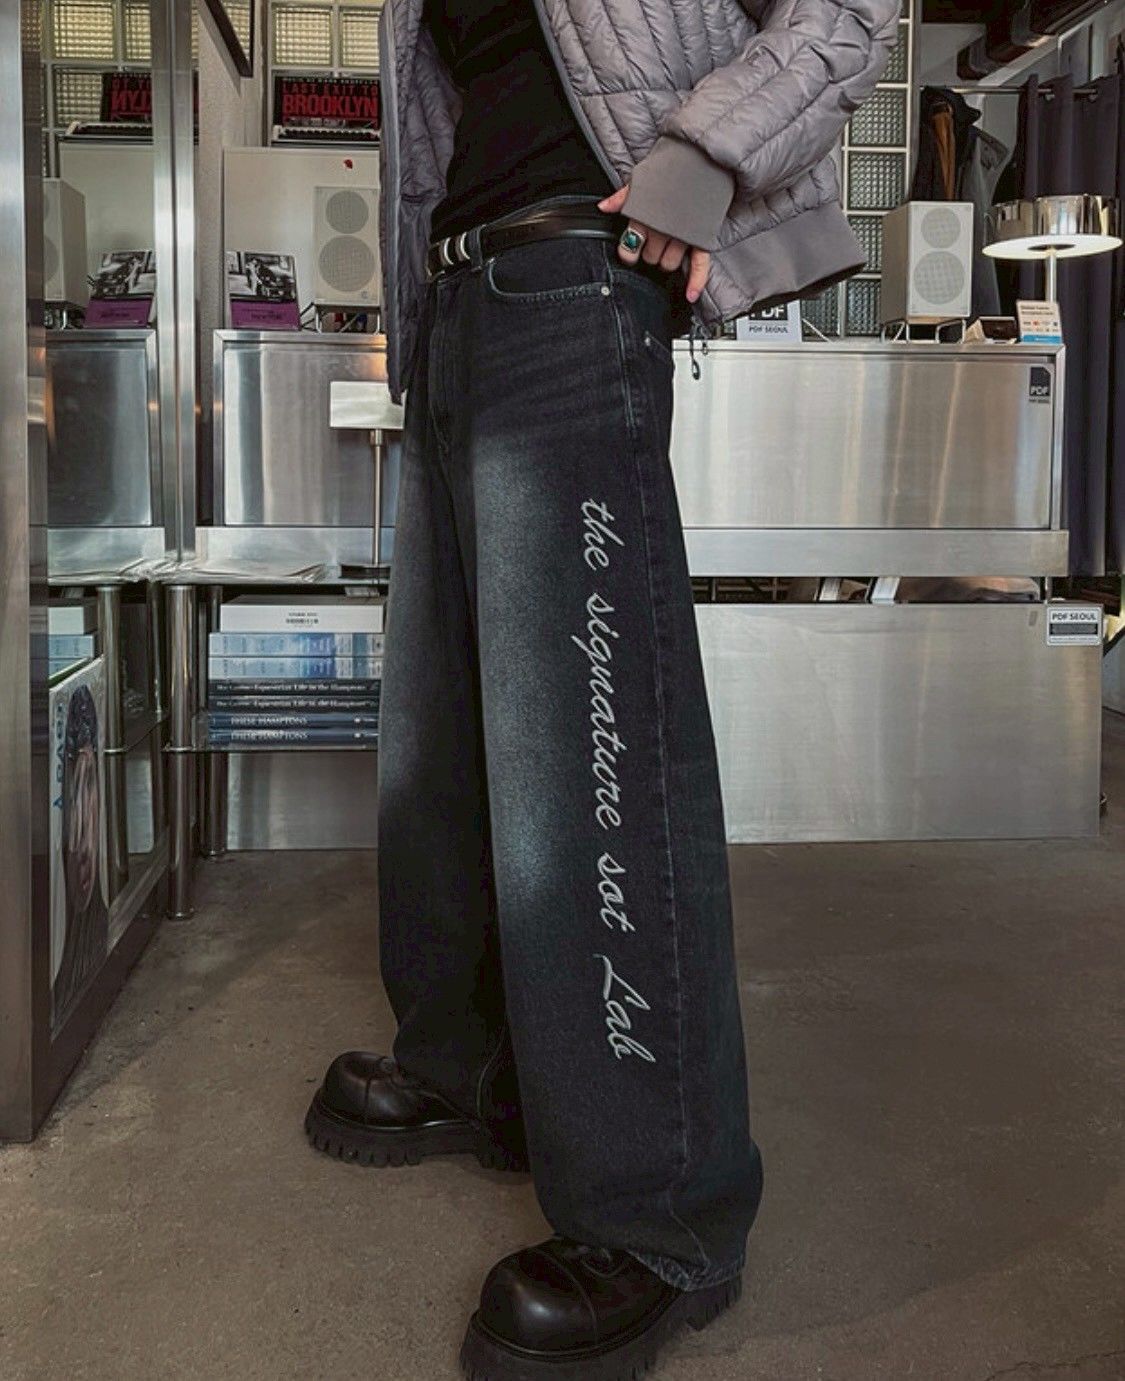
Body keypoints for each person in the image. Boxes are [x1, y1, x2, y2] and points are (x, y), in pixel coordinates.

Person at [306, 0, 898, 1375]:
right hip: (459, 300)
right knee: (442, 744)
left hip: (581, 272)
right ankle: (472, 1067)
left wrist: (703, 156)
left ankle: (659, 1209)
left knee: (585, 753)